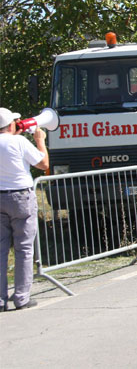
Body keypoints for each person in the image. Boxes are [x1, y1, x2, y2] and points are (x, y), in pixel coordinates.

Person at [1, 107, 49, 311]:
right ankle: (21, 297)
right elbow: (43, 163)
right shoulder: (19, 142)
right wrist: (40, 141)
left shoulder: (13, 140)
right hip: (20, 196)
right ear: (11, 125)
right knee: (24, 248)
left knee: (1, 250)